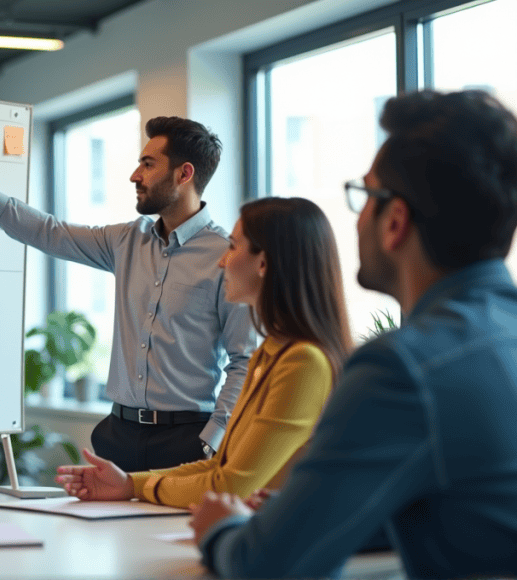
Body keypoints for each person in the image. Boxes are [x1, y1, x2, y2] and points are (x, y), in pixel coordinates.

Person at [190, 89, 517, 578]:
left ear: (396, 222)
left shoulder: (402, 368)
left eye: (365, 195)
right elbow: (475, 509)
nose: (358, 215)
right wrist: (306, 510)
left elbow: (264, 566)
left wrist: (220, 528)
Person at [0, 116, 256, 472]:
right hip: (119, 435)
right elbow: (50, 232)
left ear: (184, 174)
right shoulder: (127, 240)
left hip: (186, 440)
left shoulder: (227, 256)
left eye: (147, 164)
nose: (135, 175)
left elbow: (244, 359)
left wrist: (212, 440)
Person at [55, 197, 351, 508]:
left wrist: (138, 487)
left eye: (233, 247)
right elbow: (220, 466)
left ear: (263, 264)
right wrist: (129, 483)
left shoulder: (303, 363)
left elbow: (230, 485)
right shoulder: (269, 353)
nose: (222, 261)